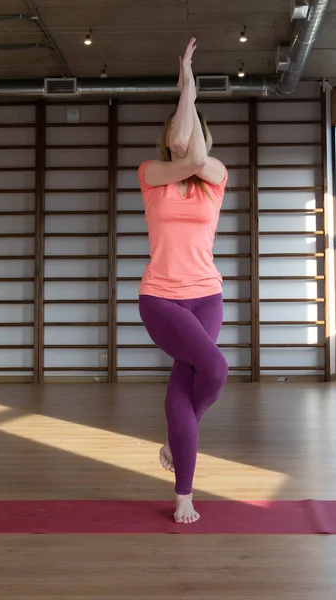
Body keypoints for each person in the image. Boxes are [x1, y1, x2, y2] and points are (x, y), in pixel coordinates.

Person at [138, 38, 228, 524]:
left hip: (207, 297)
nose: (181, 131)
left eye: (188, 126)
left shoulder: (216, 176)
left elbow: (196, 157)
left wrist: (188, 96)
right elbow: (184, 155)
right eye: (174, 124)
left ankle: (182, 490)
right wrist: (186, 91)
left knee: (188, 380)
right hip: (160, 299)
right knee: (214, 369)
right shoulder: (151, 174)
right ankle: (184, 483)